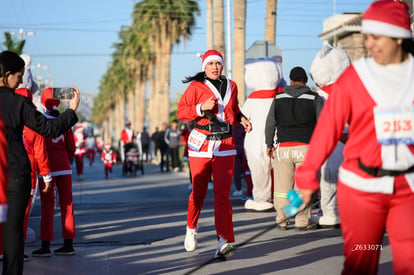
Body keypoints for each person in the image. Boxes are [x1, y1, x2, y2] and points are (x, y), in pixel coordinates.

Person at [295, 1, 414, 274]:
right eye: (367, 36)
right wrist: (306, 177)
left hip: (408, 189)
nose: (370, 44)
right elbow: (327, 129)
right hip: (362, 189)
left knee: (409, 261)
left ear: (399, 36)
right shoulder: (354, 79)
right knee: (362, 259)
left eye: (377, 36)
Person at [0, 50, 79, 275]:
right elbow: (49, 129)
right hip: (16, 176)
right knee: (13, 234)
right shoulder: (18, 103)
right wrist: (71, 111)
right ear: (7, 75)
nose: (20, 80)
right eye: (18, 75)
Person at [177, 49, 252, 259]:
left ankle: (223, 240)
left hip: (225, 144)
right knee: (198, 193)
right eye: (210, 64)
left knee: (222, 195)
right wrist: (200, 107)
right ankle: (191, 228)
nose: (215, 67)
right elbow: (181, 112)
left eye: (217, 63)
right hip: (201, 144)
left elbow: (234, 110)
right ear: (205, 66)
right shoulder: (196, 87)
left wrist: (242, 118)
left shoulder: (232, 85)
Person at [265, 66, 323, 231]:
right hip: (306, 148)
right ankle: (302, 221)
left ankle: (282, 220)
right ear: (306, 81)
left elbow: (270, 124)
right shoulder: (314, 98)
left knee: (282, 188)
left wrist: (269, 144)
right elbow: (322, 124)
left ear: (290, 81)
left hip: (283, 148)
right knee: (303, 187)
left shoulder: (278, 97)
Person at [308, 45, 351, 228]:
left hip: (330, 143)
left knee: (328, 178)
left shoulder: (317, 97)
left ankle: (330, 211)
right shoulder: (353, 92)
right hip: (350, 142)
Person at [31, 87, 77, 257]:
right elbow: (71, 146)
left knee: (47, 207)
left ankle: (45, 246)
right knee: (67, 205)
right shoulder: (65, 122)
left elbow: (37, 147)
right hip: (64, 167)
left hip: (47, 169)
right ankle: (68, 244)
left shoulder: (40, 122)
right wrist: (67, 159)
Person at [14, 88, 53, 261]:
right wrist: (46, 176)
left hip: (7, 172)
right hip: (27, 174)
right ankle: (17, 249)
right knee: (23, 212)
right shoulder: (33, 122)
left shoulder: (6, 117)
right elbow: (40, 152)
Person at [242, 56, 284, 212]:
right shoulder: (281, 95)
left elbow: (242, 116)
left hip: (256, 140)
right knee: (283, 171)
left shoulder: (252, 100)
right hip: (278, 138)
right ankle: (284, 197)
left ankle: (261, 198)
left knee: (259, 170)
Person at [232, 123, 253, 198]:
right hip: (244, 147)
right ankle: (250, 190)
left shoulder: (232, 126)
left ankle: (239, 189)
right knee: (247, 170)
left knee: (237, 171)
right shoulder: (243, 125)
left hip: (234, 148)